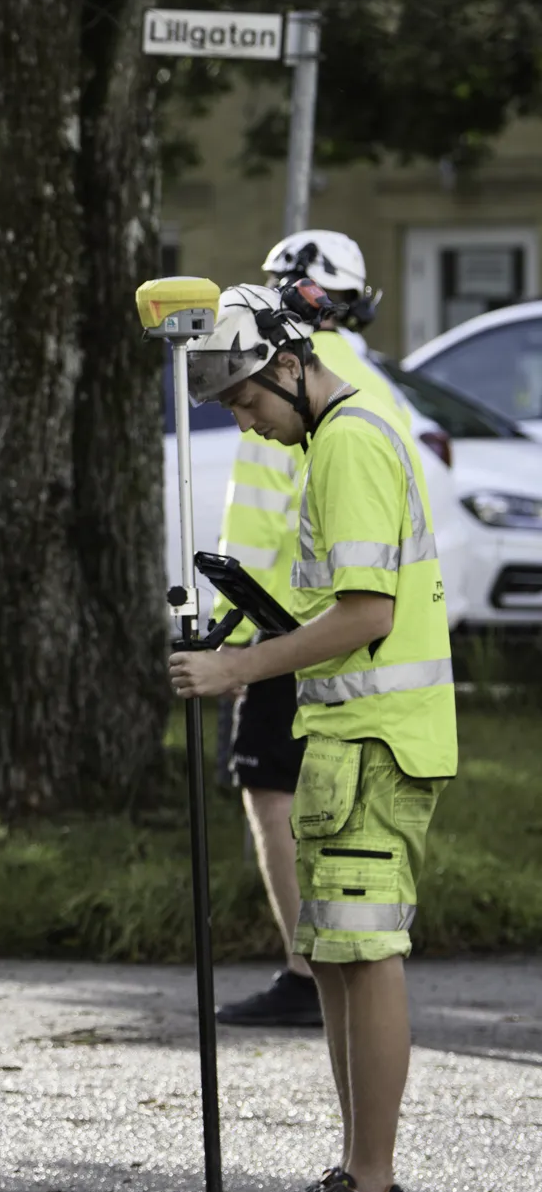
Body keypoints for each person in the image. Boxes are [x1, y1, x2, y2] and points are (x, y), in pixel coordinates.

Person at [173, 281, 455, 1192]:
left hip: (379, 741)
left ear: (288, 362)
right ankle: (352, 1177)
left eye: (248, 401)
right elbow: (334, 608)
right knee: (335, 957)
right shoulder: (330, 439)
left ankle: (369, 1191)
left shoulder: (347, 442)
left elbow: (367, 612)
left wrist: (235, 667)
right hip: (349, 737)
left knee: (365, 953)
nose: (248, 423)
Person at [213, 232, 412, 1029]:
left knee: (272, 792)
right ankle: (331, 963)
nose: (245, 421)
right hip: (356, 636)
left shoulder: (280, 379)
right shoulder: (373, 382)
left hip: (291, 624)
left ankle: (306, 968)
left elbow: (264, 513)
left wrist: (236, 652)